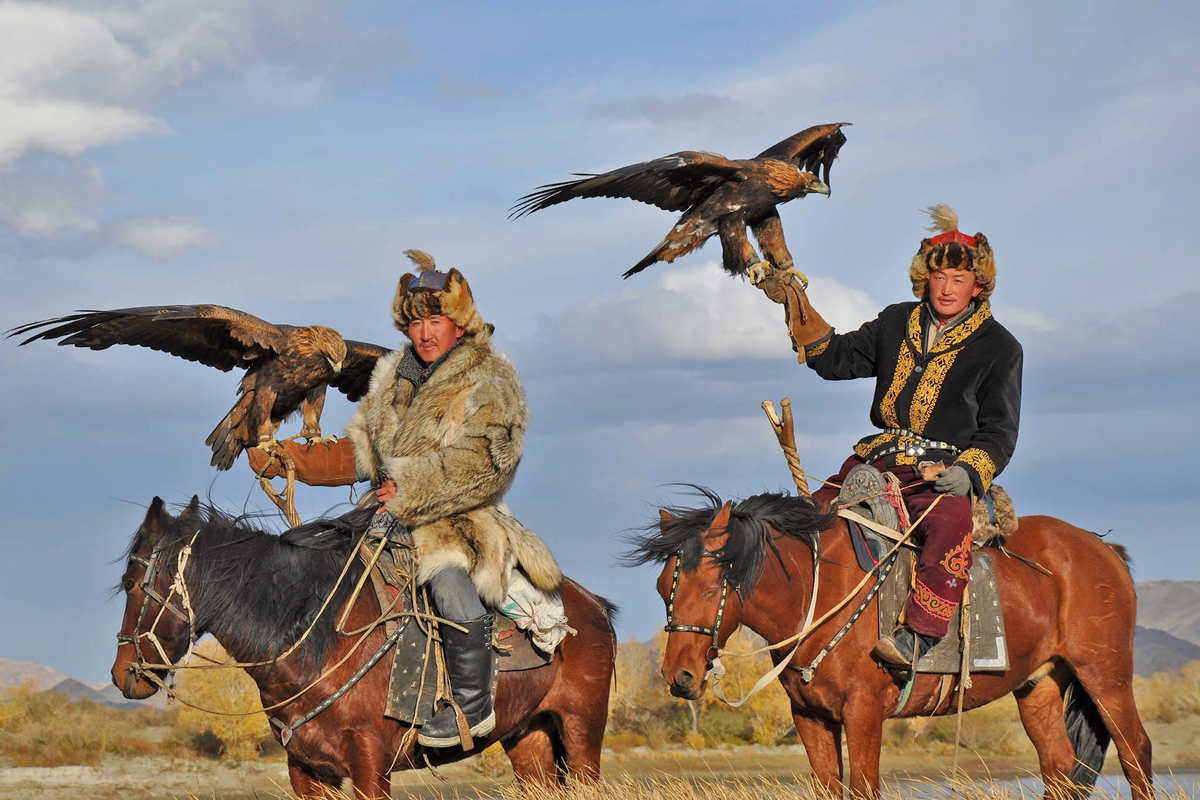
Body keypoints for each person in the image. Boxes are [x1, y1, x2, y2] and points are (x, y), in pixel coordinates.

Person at [250, 249, 561, 748]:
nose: (424, 334)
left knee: (449, 579)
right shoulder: (393, 379)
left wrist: (410, 487)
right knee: (306, 551)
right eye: (415, 324)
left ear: (459, 324)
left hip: (459, 517)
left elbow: (488, 462)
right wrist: (291, 461)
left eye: (435, 321)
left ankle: (472, 705)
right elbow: (361, 452)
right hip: (383, 515)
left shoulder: (491, 380)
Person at [758, 205, 1022, 669]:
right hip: (873, 463)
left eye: (958, 280)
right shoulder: (897, 320)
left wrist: (967, 473)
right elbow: (834, 358)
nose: (947, 288)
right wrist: (794, 301)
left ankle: (920, 635)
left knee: (950, 526)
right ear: (926, 279)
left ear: (977, 287)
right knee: (806, 521)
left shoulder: (1000, 347)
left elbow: (1000, 430)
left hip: (939, 472)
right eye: (939, 278)